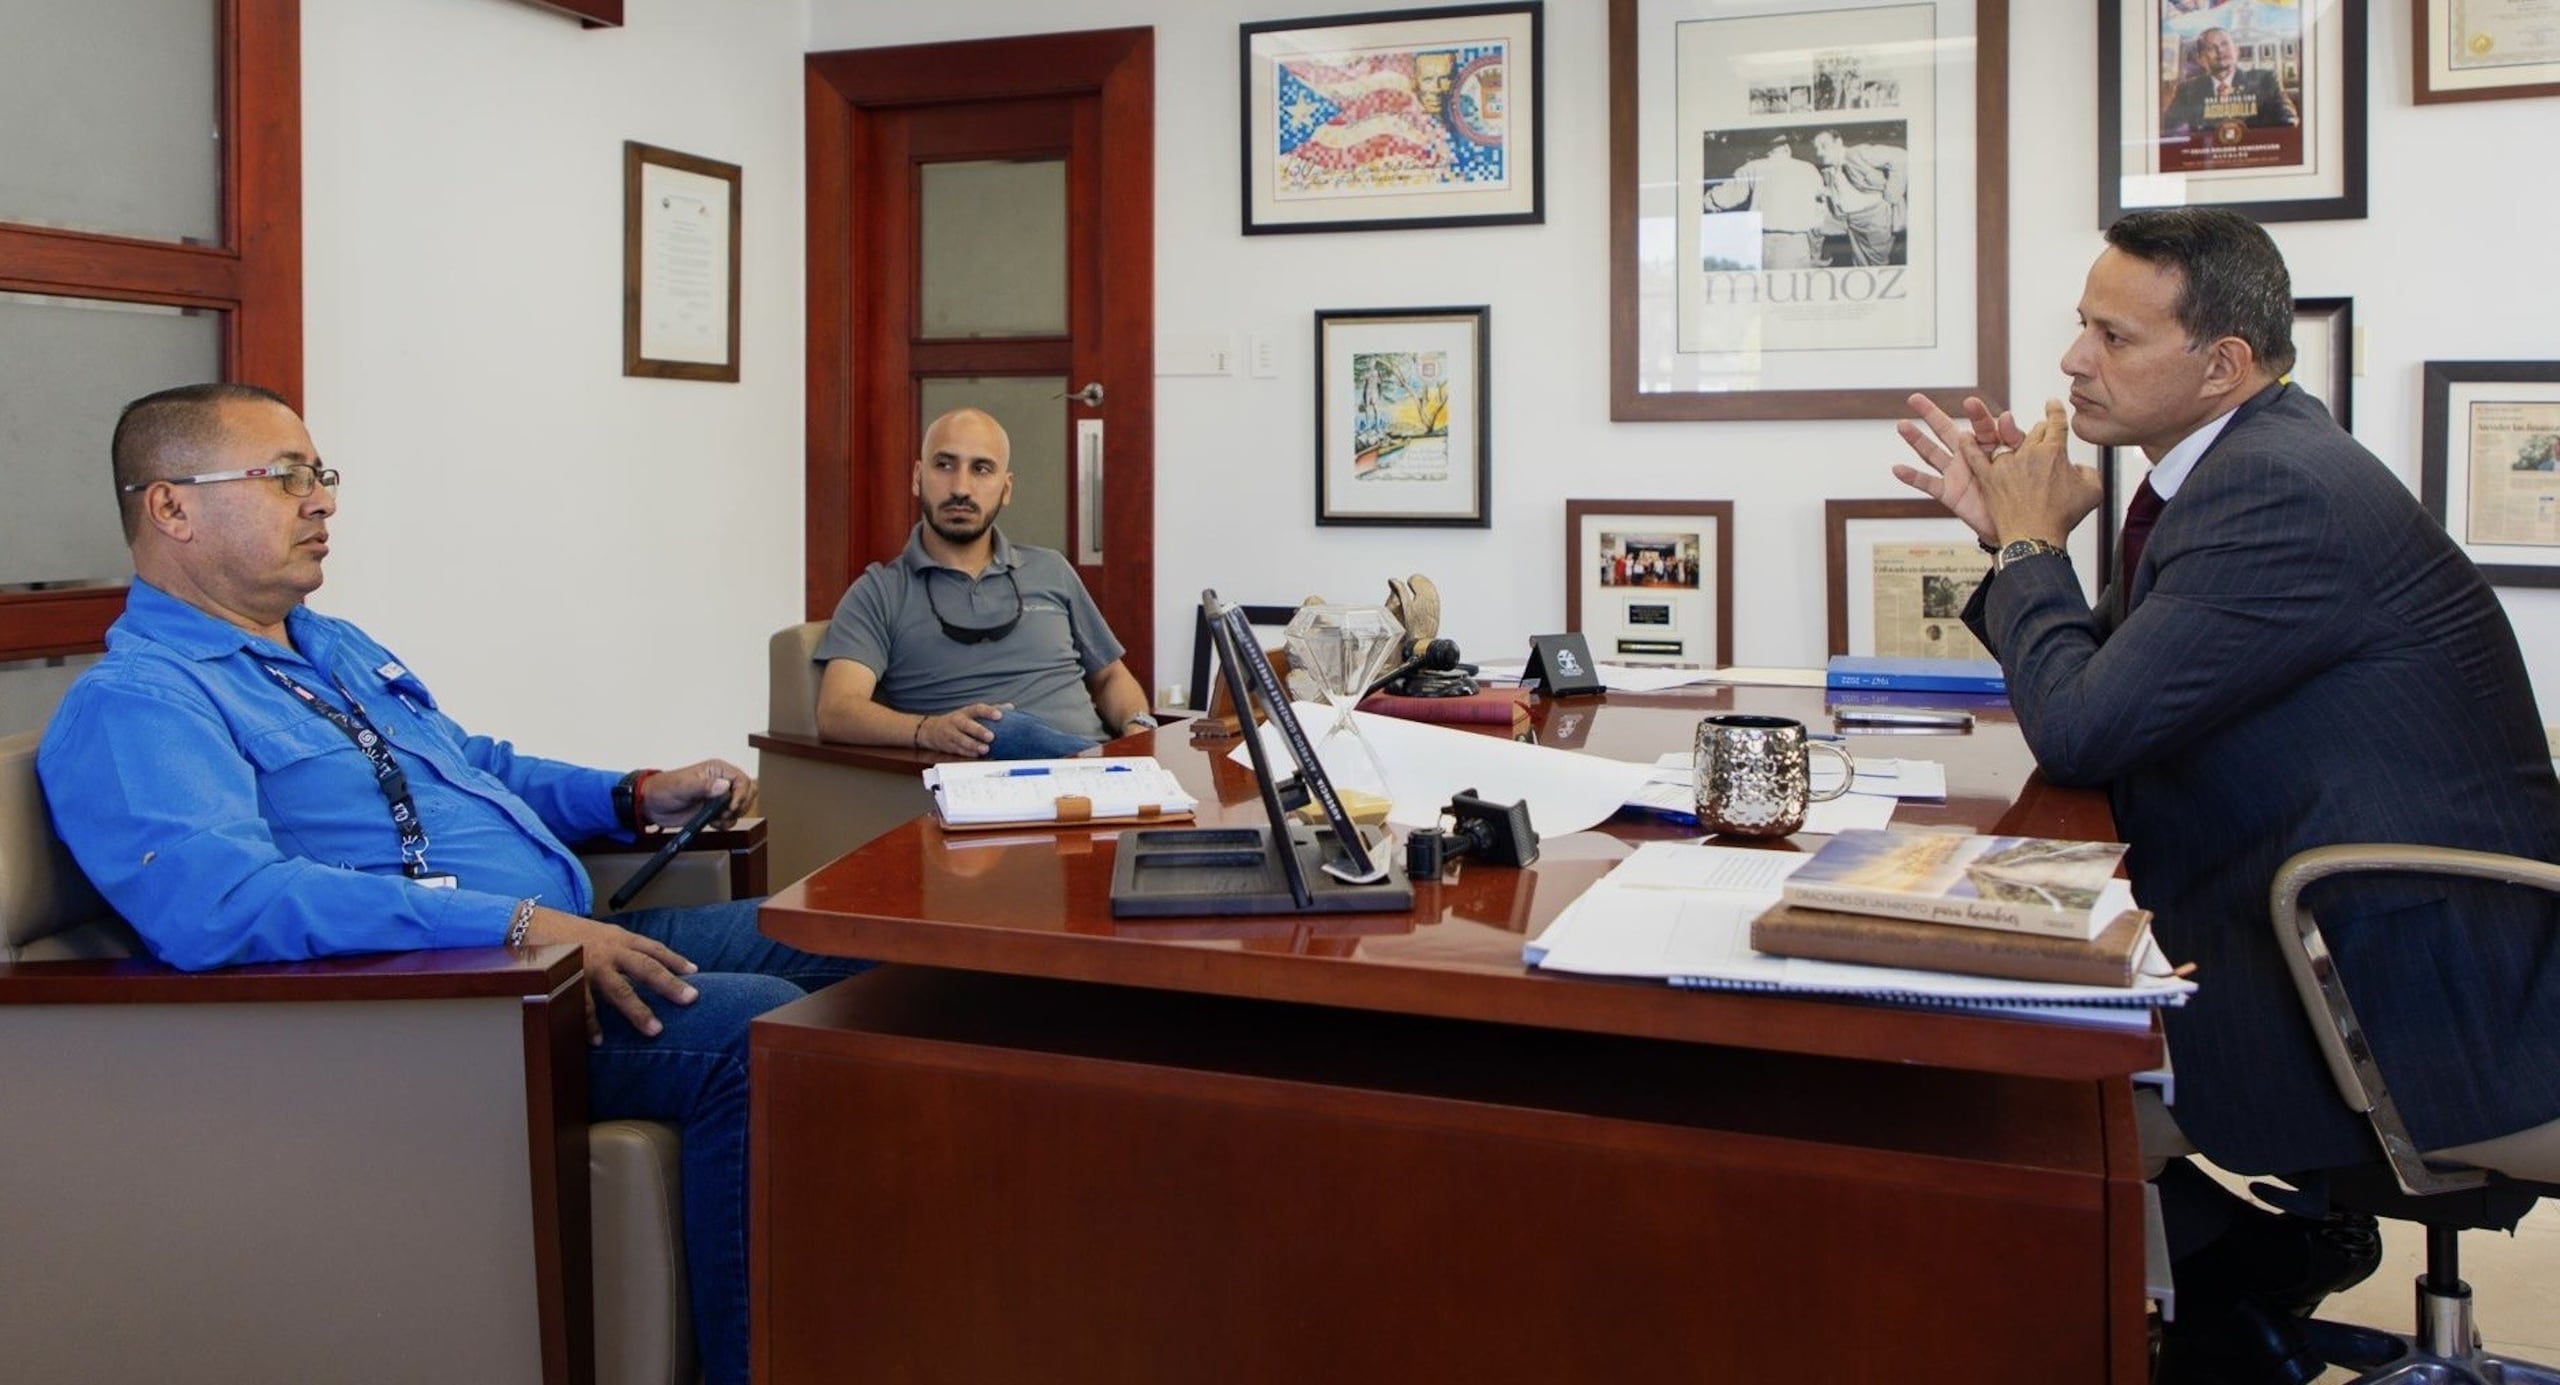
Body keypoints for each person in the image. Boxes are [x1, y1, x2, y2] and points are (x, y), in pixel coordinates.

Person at [36, 382, 866, 1385]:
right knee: (756, 1023)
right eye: (285, 476)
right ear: (172, 506)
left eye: (320, 473)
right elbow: (226, 905)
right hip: (453, 1006)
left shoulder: (329, 645)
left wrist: (632, 791)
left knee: (850, 938)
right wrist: (508, 924)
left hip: (555, 944)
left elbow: (472, 768)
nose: (322, 500)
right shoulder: (139, 702)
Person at [1893, 208, 2560, 1381]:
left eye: (2113, 336)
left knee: (1996, 1070)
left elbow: (2082, 726)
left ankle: (2228, 1283)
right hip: (2335, 923)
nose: (2072, 360)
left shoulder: (2274, 491)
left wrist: (2030, 550)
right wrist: (2012, 534)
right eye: (2081, 325)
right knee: (2008, 1016)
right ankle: (2244, 1271)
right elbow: (2109, 686)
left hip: (2414, 989)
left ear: (2222, 364)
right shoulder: (2234, 469)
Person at [813, 407, 1153, 758]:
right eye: (944, 465)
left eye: (981, 469)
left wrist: (1138, 725)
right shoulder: (879, 592)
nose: (961, 488)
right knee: (999, 728)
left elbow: (1110, 677)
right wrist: (927, 730)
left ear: (1006, 488)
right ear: (917, 477)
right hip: (987, 774)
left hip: (1097, 767)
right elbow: (837, 710)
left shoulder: (1051, 569)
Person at [1699, 132, 1830, 270]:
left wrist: (1707, 200)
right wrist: (1815, 252)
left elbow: (1724, 197)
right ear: (1787, 147)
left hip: (1767, 244)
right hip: (1800, 244)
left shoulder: (1754, 168)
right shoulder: (1809, 169)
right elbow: (1820, 215)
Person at [2161, 26, 2298, 134]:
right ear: (2201, 59)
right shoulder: (2187, 90)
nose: (2220, 50)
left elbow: (2288, 121)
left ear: (2236, 51)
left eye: (2225, 44)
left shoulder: (2266, 80)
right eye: (2211, 48)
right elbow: (2169, 128)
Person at [1810, 129, 1907, 266]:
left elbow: (1901, 157)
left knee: (1872, 265)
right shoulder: (1829, 169)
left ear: (1838, 142)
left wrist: (1892, 194)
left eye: (1824, 146)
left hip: (1873, 218)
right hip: (1844, 218)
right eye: (1817, 148)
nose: (1819, 153)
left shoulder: (1860, 153)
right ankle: (1815, 261)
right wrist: (1826, 193)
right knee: (1814, 225)